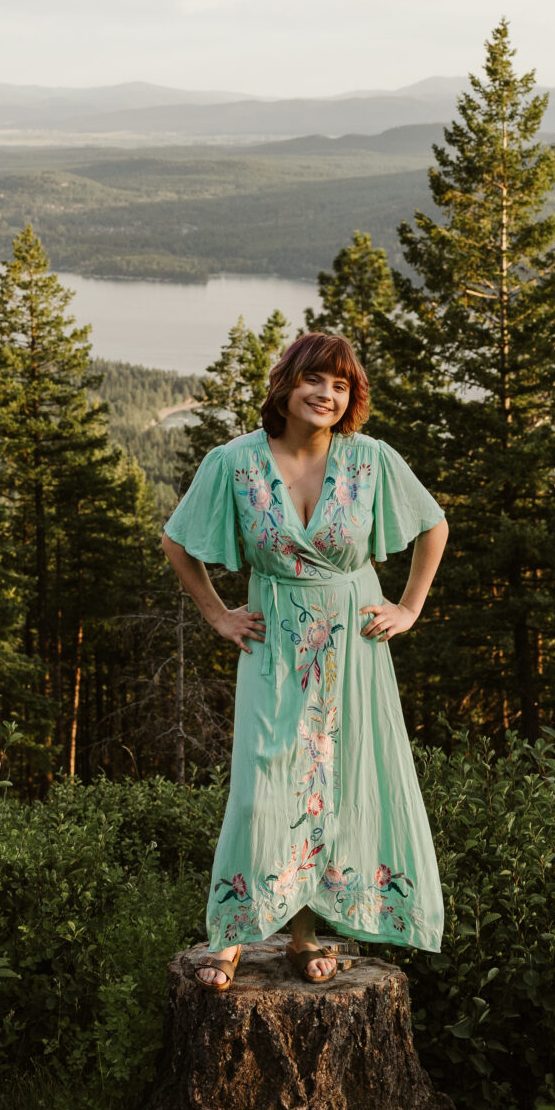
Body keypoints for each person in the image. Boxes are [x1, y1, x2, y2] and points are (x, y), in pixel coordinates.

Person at [161, 331, 449, 988]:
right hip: (275, 641)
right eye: (314, 379)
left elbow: (434, 526)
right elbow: (179, 542)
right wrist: (218, 614)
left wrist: (409, 607)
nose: (325, 393)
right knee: (266, 784)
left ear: (351, 397)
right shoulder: (235, 462)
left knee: (336, 786)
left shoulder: (370, 459)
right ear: (285, 386)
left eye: (340, 384)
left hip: (355, 643)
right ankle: (230, 933)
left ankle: (303, 934)